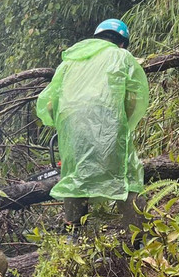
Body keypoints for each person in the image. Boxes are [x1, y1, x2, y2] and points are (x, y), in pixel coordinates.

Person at [35, 18, 150, 233]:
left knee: (75, 176)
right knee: (127, 176)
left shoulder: (69, 63)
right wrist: (119, 124)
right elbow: (134, 99)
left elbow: (49, 106)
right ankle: (140, 238)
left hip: (73, 132)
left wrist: (69, 125)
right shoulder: (120, 56)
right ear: (122, 42)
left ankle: (74, 236)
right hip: (108, 126)